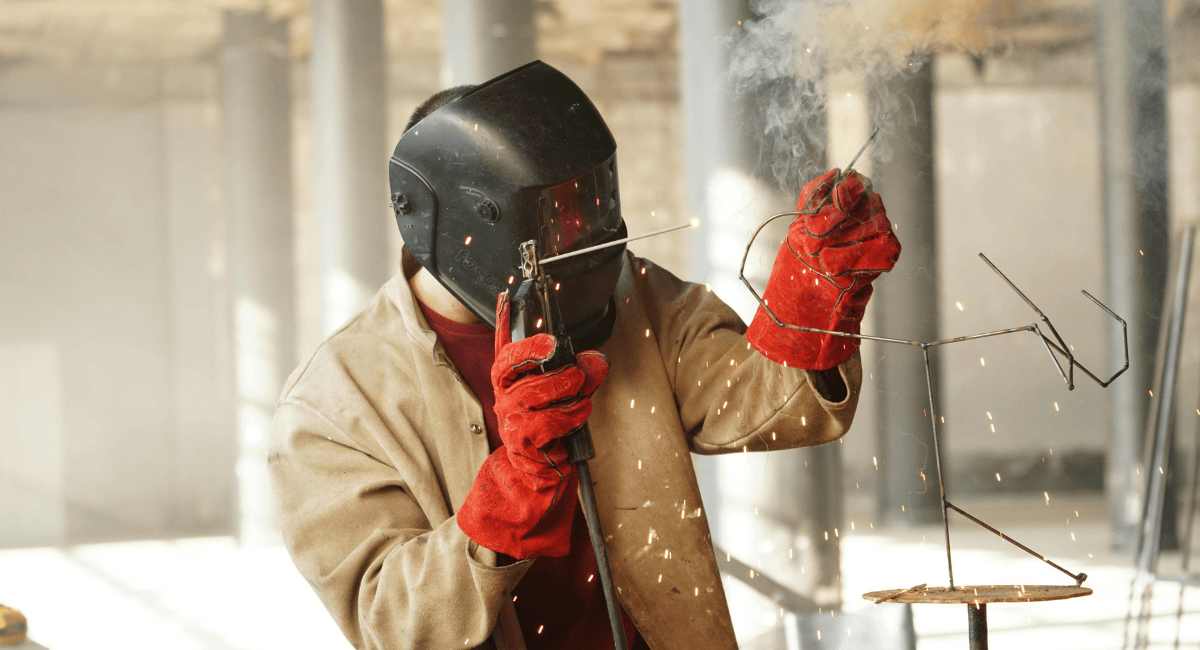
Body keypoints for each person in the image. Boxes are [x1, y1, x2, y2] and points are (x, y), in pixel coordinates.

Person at [269, 61, 900, 650]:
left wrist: (810, 311)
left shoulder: (638, 298)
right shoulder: (332, 405)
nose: (581, 237)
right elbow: (396, 622)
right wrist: (509, 500)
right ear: (470, 220)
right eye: (554, 219)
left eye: (587, 207)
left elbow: (767, 404)